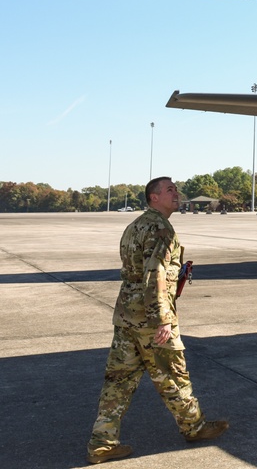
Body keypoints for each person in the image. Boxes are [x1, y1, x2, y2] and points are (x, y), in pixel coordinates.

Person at [86, 176, 228, 464]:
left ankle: (102, 443)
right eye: (169, 190)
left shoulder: (135, 225)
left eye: (175, 188)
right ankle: (194, 428)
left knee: (118, 382)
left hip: (127, 316)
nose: (176, 193)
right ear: (154, 197)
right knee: (173, 375)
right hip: (151, 319)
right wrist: (162, 318)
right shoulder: (160, 228)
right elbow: (156, 273)